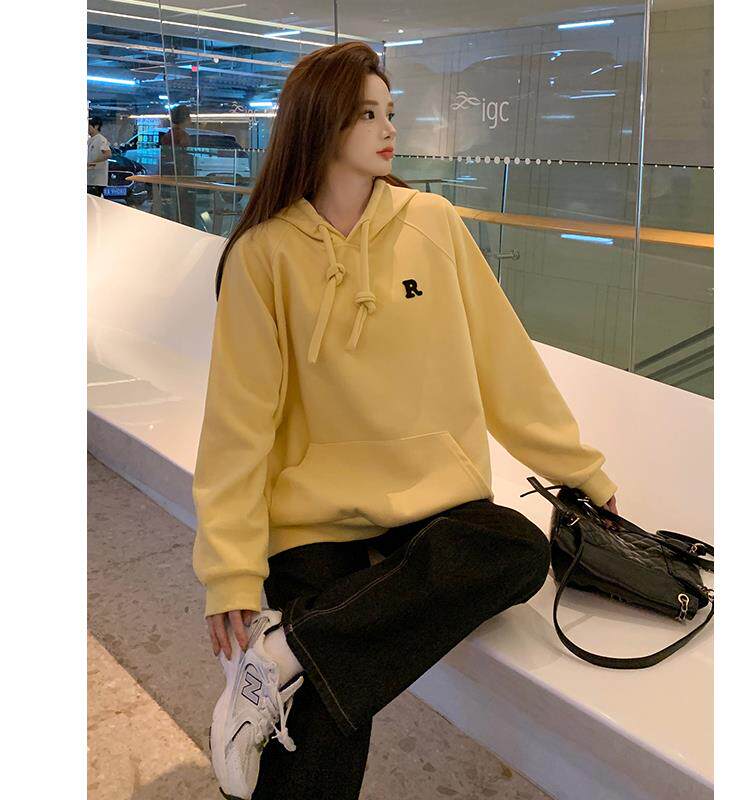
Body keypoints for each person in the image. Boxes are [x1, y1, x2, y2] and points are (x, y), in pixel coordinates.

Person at [192, 41, 620, 800]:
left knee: (516, 549)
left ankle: (284, 651)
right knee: (327, 713)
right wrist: (231, 566)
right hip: (314, 517)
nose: (389, 128)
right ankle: (290, 663)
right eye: (367, 114)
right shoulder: (264, 255)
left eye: (389, 112)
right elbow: (238, 423)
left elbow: (505, 365)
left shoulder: (433, 222)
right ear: (320, 122)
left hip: (433, 505)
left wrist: (580, 472)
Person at [159, 104, 196, 226]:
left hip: (169, 176)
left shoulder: (168, 135)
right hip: (181, 177)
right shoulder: (182, 136)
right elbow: (183, 157)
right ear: (185, 118)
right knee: (183, 210)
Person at [87, 116, 111, 197]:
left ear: (96, 126)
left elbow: (108, 154)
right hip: (90, 178)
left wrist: (93, 163)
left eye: (89, 126)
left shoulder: (101, 139)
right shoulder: (91, 139)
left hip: (97, 180)